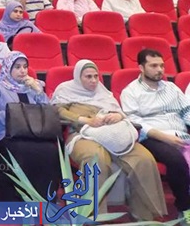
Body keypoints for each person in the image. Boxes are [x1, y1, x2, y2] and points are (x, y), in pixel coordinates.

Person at [51, 60, 167, 221]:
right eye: (88, 77)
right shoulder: (65, 90)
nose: (93, 81)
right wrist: (84, 119)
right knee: (95, 160)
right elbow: (58, 112)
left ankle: (144, 215)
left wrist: (118, 116)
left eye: (96, 76)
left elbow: (121, 113)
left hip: (113, 134)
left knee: (144, 159)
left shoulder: (103, 92)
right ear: (78, 77)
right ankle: (92, 217)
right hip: (81, 134)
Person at [120, 48, 190, 218]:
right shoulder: (131, 92)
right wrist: (164, 137)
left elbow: (187, 111)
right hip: (152, 138)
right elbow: (134, 122)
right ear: (141, 68)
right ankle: (184, 207)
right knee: (176, 160)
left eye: (162, 65)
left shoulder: (171, 88)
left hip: (181, 135)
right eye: (153, 66)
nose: (159, 70)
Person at [0, 52, 59, 202]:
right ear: (8, 68)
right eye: (17, 67)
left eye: (25, 67)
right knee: (22, 151)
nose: (22, 71)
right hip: (9, 134)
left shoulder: (34, 85)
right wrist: (11, 116)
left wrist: (38, 91)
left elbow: (48, 110)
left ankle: (44, 200)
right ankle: (16, 200)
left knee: (50, 151)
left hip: (36, 133)